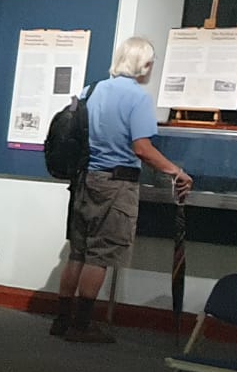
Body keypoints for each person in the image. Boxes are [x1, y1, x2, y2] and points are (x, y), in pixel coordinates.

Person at [53, 36, 192, 343]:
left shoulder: (91, 90)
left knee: (78, 251)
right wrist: (175, 171)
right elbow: (142, 148)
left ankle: (62, 319)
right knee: (100, 254)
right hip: (116, 184)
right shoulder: (138, 98)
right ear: (143, 64)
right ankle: (82, 324)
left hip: (85, 179)